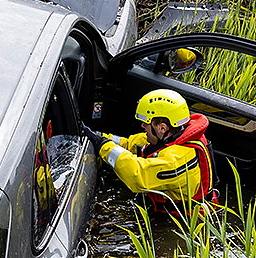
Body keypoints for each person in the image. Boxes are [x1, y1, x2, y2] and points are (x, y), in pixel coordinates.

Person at [82, 89, 215, 215]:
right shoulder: (173, 136)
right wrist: (99, 136)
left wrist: (103, 146)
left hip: (181, 222)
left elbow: (138, 175)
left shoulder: (177, 159)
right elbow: (130, 144)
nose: (142, 126)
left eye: (146, 123)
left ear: (163, 128)